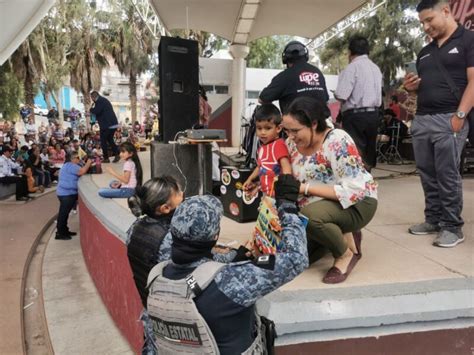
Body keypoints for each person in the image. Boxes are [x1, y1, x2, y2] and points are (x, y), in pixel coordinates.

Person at [146, 175, 307, 354]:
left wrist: (236, 257)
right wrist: (287, 207)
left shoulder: (155, 279)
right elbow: (296, 258)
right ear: (215, 236)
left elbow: (152, 344)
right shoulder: (231, 280)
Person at [282, 97, 378, 284]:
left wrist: (305, 188)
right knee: (297, 259)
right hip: (318, 205)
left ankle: (345, 254)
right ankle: (339, 233)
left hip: (357, 203)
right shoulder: (292, 144)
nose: (290, 136)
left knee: (309, 217)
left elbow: (354, 190)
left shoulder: (337, 141)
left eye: (295, 130)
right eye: (287, 130)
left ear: (314, 123)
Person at [403, 0, 473, 248]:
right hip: (422, 120)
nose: (425, 26)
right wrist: (413, 89)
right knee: (427, 174)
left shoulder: (468, 40)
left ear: (445, 11)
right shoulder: (425, 52)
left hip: (449, 119)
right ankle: (433, 219)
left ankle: (452, 227)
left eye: (429, 19)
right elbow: (425, 87)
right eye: (422, 22)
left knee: (447, 175)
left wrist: (460, 117)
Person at [334, 35, 383, 172]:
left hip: (355, 116)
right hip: (373, 114)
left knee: (355, 151)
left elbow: (342, 94)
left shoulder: (351, 68)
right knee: (369, 151)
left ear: (350, 52)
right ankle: (368, 180)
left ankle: (357, 183)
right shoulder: (375, 68)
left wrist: (335, 93)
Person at [259, 40, 329, 114]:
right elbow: (326, 99)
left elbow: (262, 99)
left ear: (285, 59)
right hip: (321, 122)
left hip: (296, 123)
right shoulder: (318, 72)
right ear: (306, 56)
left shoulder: (285, 76)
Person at [243, 104, 292, 197]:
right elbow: (259, 167)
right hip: (266, 194)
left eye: (268, 128)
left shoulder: (278, 145)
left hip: (278, 195)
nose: (263, 132)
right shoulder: (262, 148)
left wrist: (285, 192)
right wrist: (250, 179)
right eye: (259, 128)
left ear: (278, 128)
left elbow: (287, 170)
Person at [55, 152, 92, 240]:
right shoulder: (72, 166)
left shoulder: (67, 165)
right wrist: (88, 163)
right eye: (77, 157)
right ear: (72, 159)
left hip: (64, 193)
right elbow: (82, 171)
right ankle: (60, 233)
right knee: (63, 214)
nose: (79, 159)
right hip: (66, 194)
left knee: (64, 214)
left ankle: (64, 230)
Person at [89, 91, 120, 163]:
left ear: (93, 97)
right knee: (110, 140)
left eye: (92, 98)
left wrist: (90, 109)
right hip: (112, 124)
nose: (92, 100)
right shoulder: (103, 100)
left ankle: (106, 158)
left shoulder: (100, 101)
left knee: (103, 141)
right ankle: (117, 154)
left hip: (107, 125)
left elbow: (97, 111)